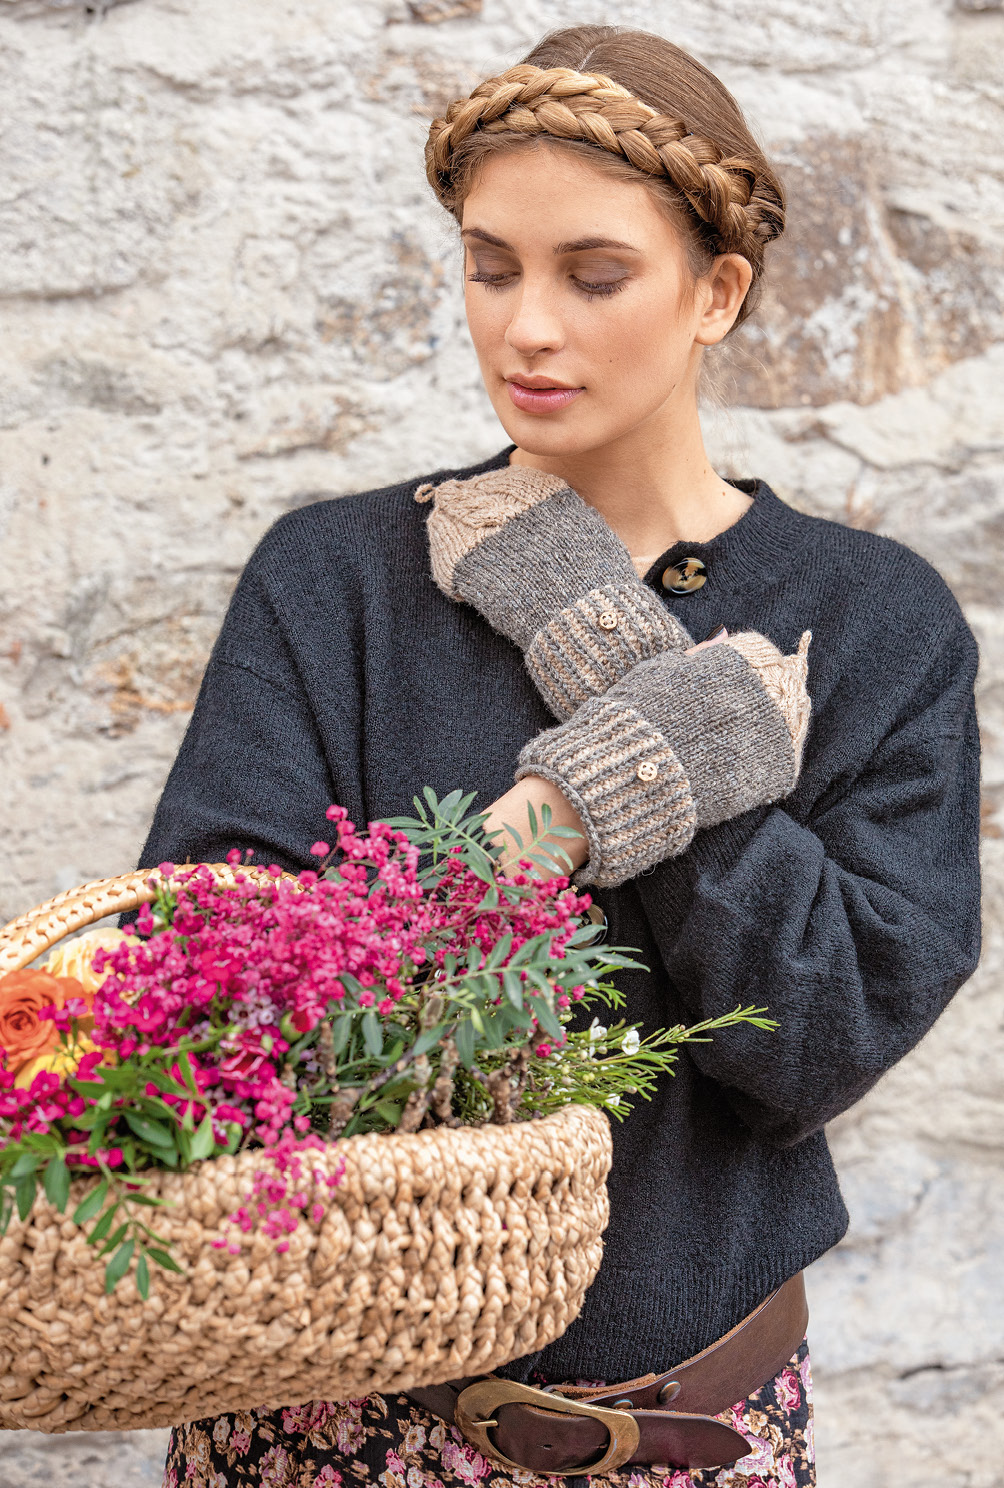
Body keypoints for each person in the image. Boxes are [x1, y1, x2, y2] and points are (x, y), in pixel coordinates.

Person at [153, 24, 981, 1488]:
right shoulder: (335, 580)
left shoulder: (871, 623)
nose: (527, 326)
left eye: (593, 277)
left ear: (716, 291)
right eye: (491, 266)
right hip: (320, 1431)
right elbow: (220, 1003)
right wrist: (568, 812)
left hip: (688, 1438)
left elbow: (823, 1042)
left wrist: (616, 663)